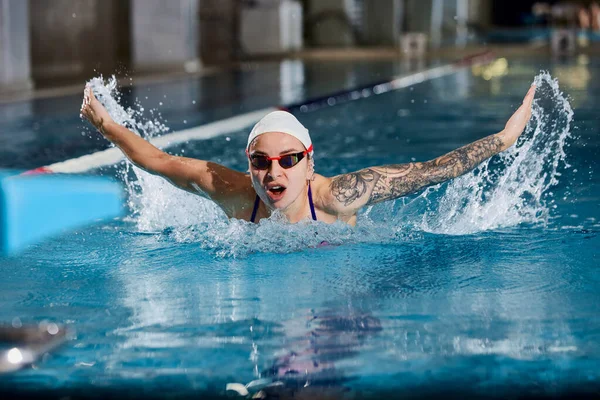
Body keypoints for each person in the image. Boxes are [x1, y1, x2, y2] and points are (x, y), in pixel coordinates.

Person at [81, 84, 536, 226]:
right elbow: (156, 161)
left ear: (310, 162)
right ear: (249, 165)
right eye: (261, 161)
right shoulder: (234, 194)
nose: (273, 171)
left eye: (288, 159)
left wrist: (502, 140)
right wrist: (105, 124)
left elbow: (431, 171)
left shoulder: (341, 196)